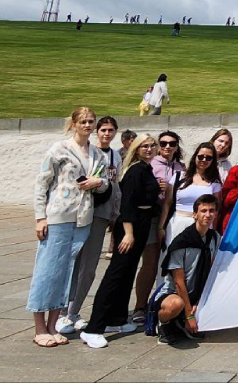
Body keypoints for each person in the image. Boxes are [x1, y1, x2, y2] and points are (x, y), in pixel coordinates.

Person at [29, 108, 109, 347]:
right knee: (47, 271)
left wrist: (99, 183)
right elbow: (41, 183)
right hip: (58, 216)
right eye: (83, 121)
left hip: (83, 218)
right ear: (74, 124)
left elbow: (104, 184)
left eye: (91, 122)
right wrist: (39, 217)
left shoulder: (97, 153)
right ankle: (39, 327)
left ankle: (54, 323)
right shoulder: (59, 149)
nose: (87, 125)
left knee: (67, 272)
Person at [80, 135, 160, 348]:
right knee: (115, 276)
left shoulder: (146, 169)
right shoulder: (135, 171)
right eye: (145, 146)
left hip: (142, 224)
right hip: (130, 226)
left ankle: (116, 319)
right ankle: (93, 328)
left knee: (127, 274)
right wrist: (128, 233)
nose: (150, 149)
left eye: (153, 145)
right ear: (136, 148)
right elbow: (127, 205)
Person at [57, 116, 122, 335]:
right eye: (103, 129)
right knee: (73, 261)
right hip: (81, 210)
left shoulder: (115, 156)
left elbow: (115, 185)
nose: (106, 133)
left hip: (101, 212)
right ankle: (62, 310)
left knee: (89, 267)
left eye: (110, 130)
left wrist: (115, 213)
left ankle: (74, 311)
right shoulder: (88, 152)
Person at [133, 131, 185, 323]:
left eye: (172, 143)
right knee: (150, 263)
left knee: (171, 264)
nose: (167, 147)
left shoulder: (181, 167)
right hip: (151, 216)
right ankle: (140, 306)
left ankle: (164, 301)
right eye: (163, 143)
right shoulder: (150, 164)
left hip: (172, 218)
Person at [155, 194, 221, 345]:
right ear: (195, 214)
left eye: (212, 211)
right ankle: (164, 323)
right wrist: (189, 314)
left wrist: (200, 302)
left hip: (197, 293)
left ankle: (183, 321)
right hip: (175, 293)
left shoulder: (215, 238)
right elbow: (179, 283)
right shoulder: (181, 243)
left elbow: (210, 271)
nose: (208, 215)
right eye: (203, 211)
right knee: (175, 305)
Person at [158, 143, 222, 249]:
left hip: (203, 225)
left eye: (208, 158)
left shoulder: (215, 183)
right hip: (178, 223)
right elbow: (167, 203)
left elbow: (216, 210)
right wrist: (160, 227)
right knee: (173, 259)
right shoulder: (179, 176)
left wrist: (213, 232)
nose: (204, 160)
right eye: (201, 156)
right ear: (195, 157)